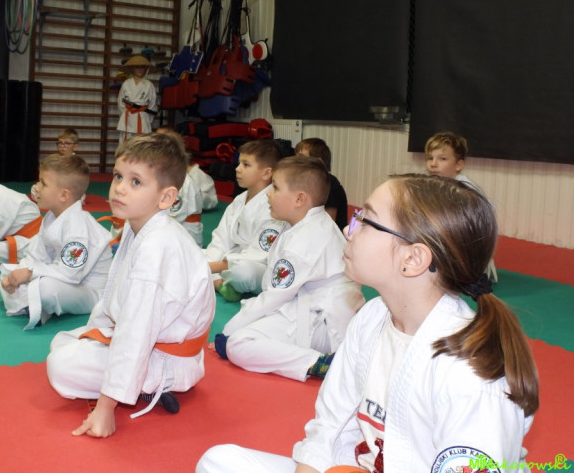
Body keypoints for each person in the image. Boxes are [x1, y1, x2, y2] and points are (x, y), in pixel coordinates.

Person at [196, 174, 538, 473]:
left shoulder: (471, 374)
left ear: (413, 258)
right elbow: (332, 423)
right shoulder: (373, 316)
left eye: (365, 220)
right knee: (220, 462)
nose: (348, 230)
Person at [46, 133, 215, 438]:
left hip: (166, 357)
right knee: (63, 342)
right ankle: (136, 382)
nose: (120, 188)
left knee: (61, 366)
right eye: (118, 176)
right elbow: (115, 302)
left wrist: (105, 407)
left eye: (136, 182)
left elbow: (137, 333)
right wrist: (93, 334)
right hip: (152, 339)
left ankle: (149, 386)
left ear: (166, 198)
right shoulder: (139, 227)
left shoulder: (156, 249)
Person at [212, 156, 364, 381]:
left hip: (323, 324)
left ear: (299, 199)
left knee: (238, 343)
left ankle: (317, 362)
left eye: (275, 187)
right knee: (250, 323)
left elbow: (275, 297)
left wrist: (228, 330)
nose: (268, 194)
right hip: (312, 308)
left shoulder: (305, 239)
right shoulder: (302, 223)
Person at [0, 154, 111, 329]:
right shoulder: (52, 216)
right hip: (65, 279)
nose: (36, 187)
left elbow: (71, 274)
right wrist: (19, 273)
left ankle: (36, 304)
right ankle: (35, 305)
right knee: (7, 274)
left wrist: (29, 273)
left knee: (44, 288)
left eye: (43, 183)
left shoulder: (78, 228)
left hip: (89, 290)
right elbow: (36, 256)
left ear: (64, 195)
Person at [203, 139, 285, 302]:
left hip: (258, 265)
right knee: (188, 253)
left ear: (266, 173)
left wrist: (209, 267)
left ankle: (211, 279)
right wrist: (209, 262)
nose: (237, 169)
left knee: (242, 272)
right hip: (231, 259)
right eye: (239, 163)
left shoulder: (274, 205)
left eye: (246, 165)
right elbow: (220, 238)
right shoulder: (240, 199)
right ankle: (219, 284)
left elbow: (259, 255)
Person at [424, 131, 497, 281]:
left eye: (442, 159)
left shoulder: (465, 190)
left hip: (470, 257)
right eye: (430, 158)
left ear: (459, 165)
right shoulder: (432, 185)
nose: (433, 164)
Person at [155, 127, 205, 246]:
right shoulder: (166, 177)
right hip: (174, 232)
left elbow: (175, 216)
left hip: (186, 239)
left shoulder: (182, 183)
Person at [295, 138, 347, 230]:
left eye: (301, 157)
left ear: (318, 162)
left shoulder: (330, 183)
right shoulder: (304, 181)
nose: (295, 161)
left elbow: (328, 223)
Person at [117, 54, 156, 143]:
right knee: (126, 143)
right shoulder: (126, 83)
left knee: (142, 142)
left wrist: (147, 119)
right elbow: (120, 102)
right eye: (137, 67)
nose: (140, 69)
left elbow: (152, 105)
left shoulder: (149, 85)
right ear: (132, 69)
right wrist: (124, 114)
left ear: (145, 69)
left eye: (142, 67)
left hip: (143, 117)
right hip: (128, 116)